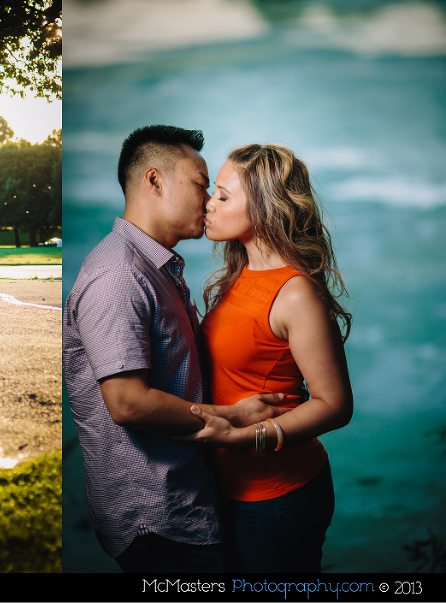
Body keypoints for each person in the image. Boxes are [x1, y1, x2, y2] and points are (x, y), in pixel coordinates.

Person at [63, 125, 285, 575]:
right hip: (159, 519)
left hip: (183, 504)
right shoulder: (120, 275)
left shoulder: (155, 265)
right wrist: (233, 416)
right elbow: (127, 403)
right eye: (201, 185)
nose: (208, 201)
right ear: (154, 180)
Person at [191, 143, 353, 572]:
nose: (208, 203)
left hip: (278, 496)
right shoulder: (243, 272)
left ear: (262, 208)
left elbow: (335, 405)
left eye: (223, 196)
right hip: (231, 487)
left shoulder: (295, 294)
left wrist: (246, 437)